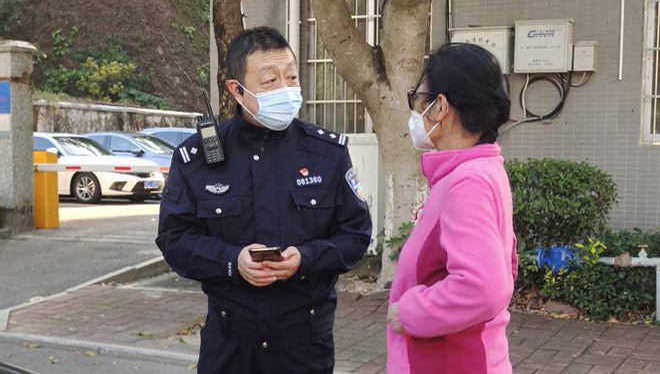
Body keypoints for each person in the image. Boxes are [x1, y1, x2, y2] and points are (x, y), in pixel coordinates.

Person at [156, 26, 372, 374]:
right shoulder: (197, 157)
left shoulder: (326, 153)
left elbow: (356, 235)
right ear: (236, 89)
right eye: (270, 82)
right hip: (229, 346)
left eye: (291, 77)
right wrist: (232, 261)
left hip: (304, 345)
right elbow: (174, 238)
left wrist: (305, 258)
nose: (285, 90)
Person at [386, 43, 518, 374]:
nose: (416, 110)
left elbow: (484, 286)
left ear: (441, 106)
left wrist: (409, 312)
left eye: (419, 98)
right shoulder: (477, 172)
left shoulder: (467, 182)